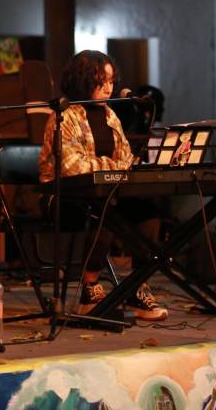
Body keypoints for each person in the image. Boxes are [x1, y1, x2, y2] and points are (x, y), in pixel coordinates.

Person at [38, 50, 168, 321]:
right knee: (105, 207)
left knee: (148, 212)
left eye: (111, 81)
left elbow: (125, 159)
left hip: (105, 192)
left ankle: (136, 286)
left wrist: (112, 166)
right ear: (83, 80)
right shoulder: (64, 116)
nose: (109, 87)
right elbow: (72, 166)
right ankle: (89, 288)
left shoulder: (110, 116)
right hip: (64, 197)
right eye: (101, 81)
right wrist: (111, 166)